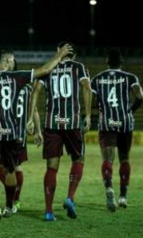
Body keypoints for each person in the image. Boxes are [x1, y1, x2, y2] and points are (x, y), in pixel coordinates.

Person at [0, 45, 72, 221]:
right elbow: (45, 69)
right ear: (8, 60)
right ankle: (9, 206)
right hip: (11, 132)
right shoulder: (16, 77)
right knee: (10, 171)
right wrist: (60, 55)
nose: (14, 62)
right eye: (12, 59)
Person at [27, 41, 92, 221]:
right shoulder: (79, 67)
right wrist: (87, 116)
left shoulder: (48, 68)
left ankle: (48, 211)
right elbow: (87, 87)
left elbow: (35, 91)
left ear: (58, 51)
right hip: (72, 122)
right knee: (79, 158)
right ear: (75, 56)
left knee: (52, 168)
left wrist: (30, 118)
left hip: (51, 123)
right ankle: (70, 197)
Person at [90, 49, 143, 211]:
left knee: (108, 159)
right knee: (124, 158)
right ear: (122, 63)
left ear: (107, 63)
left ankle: (109, 188)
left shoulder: (97, 79)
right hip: (125, 122)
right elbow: (140, 96)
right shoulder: (130, 78)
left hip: (106, 122)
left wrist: (98, 108)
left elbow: (92, 101)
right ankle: (123, 196)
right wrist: (130, 110)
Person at [0, 60, 43, 214]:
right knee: (16, 167)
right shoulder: (27, 87)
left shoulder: (3, 85)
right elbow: (35, 110)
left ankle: (13, 199)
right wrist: (38, 131)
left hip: (4, 133)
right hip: (20, 134)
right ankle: (15, 200)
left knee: (0, 168)